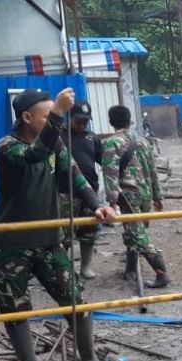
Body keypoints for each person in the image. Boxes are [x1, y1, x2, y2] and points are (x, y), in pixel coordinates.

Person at [0, 88, 117, 361]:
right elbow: (34, 156)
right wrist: (58, 113)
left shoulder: (55, 147)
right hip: (8, 245)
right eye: (47, 117)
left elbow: (69, 175)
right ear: (27, 117)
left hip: (47, 241)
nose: (52, 122)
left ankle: (89, 358)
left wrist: (97, 204)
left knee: (75, 301)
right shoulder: (7, 148)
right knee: (15, 307)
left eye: (53, 116)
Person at [102, 105, 171, 288]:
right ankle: (131, 269)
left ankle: (161, 272)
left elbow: (110, 174)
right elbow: (152, 170)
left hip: (128, 195)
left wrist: (112, 202)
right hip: (145, 194)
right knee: (134, 231)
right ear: (129, 120)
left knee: (138, 236)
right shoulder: (142, 141)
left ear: (111, 121)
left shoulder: (112, 143)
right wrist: (158, 196)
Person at [60, 99, 103, 279]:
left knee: (89, 232)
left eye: (86, 120)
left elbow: (104, 161)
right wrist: (53, 173)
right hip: (65, 193)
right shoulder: (59, 135)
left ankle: (85, 267)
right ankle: (62, 270)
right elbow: (50, 161)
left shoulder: (91, 137)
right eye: (79, 119)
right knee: (64, 235)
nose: (83, 123)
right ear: (70, 116)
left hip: (90, 193)